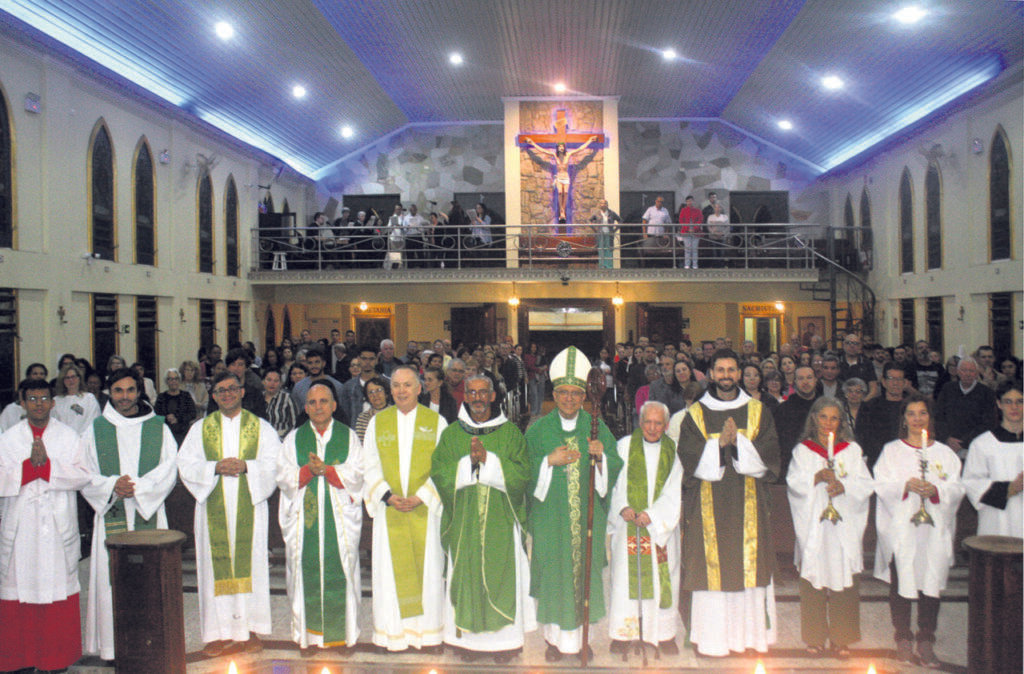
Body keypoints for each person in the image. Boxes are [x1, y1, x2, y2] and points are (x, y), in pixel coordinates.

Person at [676, 348, 780, 657]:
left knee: (749, 567)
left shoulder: (759, 410)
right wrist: (718, 445)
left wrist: (740, 443)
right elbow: (689, 459)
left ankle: (749, 639)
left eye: (731, 370)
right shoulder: (696, 414)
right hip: (709, 508)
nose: (726, 376)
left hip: (750, 508)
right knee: (711, 571)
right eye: (720, 370)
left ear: (740, 373)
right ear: (710, 374)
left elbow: (771, 457)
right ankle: (713, 641)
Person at [525, 346, 622, 662]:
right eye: (563, 392)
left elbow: (615, 464)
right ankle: (554, 642)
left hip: (585, 522)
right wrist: (546, 462)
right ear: (553, 393)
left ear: (585, 396)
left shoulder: (596, 426)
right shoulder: (539, 428)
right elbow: (524, 469)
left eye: (576, 393)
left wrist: (601, 457)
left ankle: (584, 640)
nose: (569, 399)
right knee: (554, 575)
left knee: (584, 578)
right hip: (550, 520)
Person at [430, 374, 536, 662]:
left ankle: (506, 644)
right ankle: (468, 643)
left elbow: (522, 474)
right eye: (471, 393)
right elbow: (438, 472)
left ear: (492, 396)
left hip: (501, 520)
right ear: (464, 396)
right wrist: (468, 464)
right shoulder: (451, 434)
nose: (477, 398)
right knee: (466, 575)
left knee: (502, 575)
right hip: (464, 521)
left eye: (482, 393)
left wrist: (489, 462)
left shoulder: (511, 433)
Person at [177, 371, 282, 657]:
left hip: (250, 503)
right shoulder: (201, 428)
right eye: (221, 391)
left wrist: (247, 467)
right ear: (213, 396)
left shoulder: (261, 427)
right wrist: (214, 467)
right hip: (213, 504)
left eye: (232, 389)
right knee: (213, 568)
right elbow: (185, 463)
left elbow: (275, 463)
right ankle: (216, 634)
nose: (227, 395)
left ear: (242, 392)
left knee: (252, 566)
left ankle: (249, 631)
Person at [81, 367, 178, 662]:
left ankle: (151, 643)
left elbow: (170, 466)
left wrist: (137, 487)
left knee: (149, 579)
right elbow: (83, 472)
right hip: (112, 510)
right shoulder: (95, 429)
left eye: (130, 390)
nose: (125, 397)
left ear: (140, 391)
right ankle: (112, 647)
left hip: (147, 509)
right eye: (118, 391)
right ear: (110, 392)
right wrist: (112, 486)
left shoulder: (158, 426)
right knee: (112, 580)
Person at [0, 378, 91, 672]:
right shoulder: (8, 438)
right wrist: (28, 469)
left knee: (56, 587)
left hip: (55, 526)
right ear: (22, 403)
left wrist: (48, 468)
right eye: (33, 399)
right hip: (21, 527)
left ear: (53, 402)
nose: (39, 404)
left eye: (44, 399)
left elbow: (84, 475)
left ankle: (56, 658)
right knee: (19, 587)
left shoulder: (68, 436)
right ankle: (19, 659)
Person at [873, 393, 964, 667]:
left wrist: (937, 490)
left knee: (930, 582)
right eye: (911, 414)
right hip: (901, 529)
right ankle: (902, 637)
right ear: (903, 419)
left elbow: (957, 488)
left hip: (933, 530)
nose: (916, 419)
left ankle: (926, 639)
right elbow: (880, 484)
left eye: (922, 413)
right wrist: (905, 486)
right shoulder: (892, 450)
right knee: (901, 580)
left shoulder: (944, 454)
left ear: (930, 417)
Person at [362, 365, 448, 652]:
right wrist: (387, 495)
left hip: (424, 511)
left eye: (407, 385)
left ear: (419, 388)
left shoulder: (436, 422)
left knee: (429, 573)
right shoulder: (378, 422)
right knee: (389, 574)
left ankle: (428, 635)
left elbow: (443, 468)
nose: (401, 391)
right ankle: (393, 634)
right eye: (396, 385)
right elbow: (369, 464)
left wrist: (423, 495)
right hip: (391, 512)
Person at [277, 382, 363, 653]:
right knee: (304, 570)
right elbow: (282, 475)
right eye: (312, 402)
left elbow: (359, 473)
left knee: (342, 570)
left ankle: (342, 636)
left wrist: (327, 470)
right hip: (306, 523)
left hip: (339, 521)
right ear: (305, 407)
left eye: (324, 401)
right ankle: (309, 636)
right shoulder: (293, 438)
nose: (318, 407)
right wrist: (306, 472)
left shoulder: (348, 436)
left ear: (334, 405)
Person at [786, 397, 874, 658]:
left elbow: (866, 485)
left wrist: (844, 486)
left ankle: (842, 638)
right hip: (814, 526)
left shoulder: (852, 451)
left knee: (843, 578)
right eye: (823, 417)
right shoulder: (803, 451)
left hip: (843, 527)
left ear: (842, 421)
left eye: (834, 418)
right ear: (814, 418)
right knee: (813, 577)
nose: (828, 423)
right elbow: (793, 483)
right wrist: (815, 478)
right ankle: (813, 637)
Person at [607, 401, 683, 654]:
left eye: (657, 423)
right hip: (628, 525)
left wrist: (651, 515)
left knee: (664, 580)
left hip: (659, 529)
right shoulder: (624, 446)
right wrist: (623, 507)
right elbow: (614, 483)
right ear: (639, 422)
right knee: (624, 580)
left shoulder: (672, 451)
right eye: (647, 422)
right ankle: (623, 634)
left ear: (666, 425)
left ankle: (663, 634)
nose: (652, 428)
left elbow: (674, 491)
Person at [962, 379, 1023, 536]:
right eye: (1008, 402)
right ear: (999, 404)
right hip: (998, 523)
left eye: (1020, 401)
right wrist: (1008, 489)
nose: (1014, 407)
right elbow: (971, 482)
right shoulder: (983, 444)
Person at [525, 136, 599, 224]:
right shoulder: (554, 156)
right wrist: (532, 143)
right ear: (558, 148)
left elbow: (580, 149)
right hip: (559, 177)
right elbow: (543, 151)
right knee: (560, 192)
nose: (561, 148)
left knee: (566, 193)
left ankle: (562, 211)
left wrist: (589, 141)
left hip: (566, 177)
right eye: (560, 147)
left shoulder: (568, 155)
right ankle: (562, 211)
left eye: (562, 147)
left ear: (564, 148)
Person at [935, 356, 997, 458]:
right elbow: (939, 416)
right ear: (958, 372)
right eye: (964, 370)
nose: (968, 374)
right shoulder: (947, 389)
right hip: (948, 445)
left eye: (971, 371)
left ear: (977, 373)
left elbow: (989, 423)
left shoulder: (987, 393)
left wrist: (963, 443)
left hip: (974, 447)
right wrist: (947, 438)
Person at [856, 362, 907, 467]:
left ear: (904, 382)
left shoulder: (911, 408)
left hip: (906, 459)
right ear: (883, 382)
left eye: (899, 379)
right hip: (877, 460)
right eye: (891, 378)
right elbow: (862, 437)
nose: (895, 383)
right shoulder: (869, 407)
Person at [774, 365, 821, 477]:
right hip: (793, 467)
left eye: (809, 377)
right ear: (794, 382)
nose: (805, 382)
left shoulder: (825, 407)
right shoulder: (783, 409)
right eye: (800, 378)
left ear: (815, 380)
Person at [53, 362, 101, 435]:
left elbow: (93, 421)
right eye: (67, 378)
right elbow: (54, 423)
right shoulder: (56, 401)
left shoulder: (89, 398)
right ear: (63, 380)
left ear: (79, 378)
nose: (71, 380)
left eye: (73, 377)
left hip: (85, 441)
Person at [339, 344, 381, 427]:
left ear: (377, 360)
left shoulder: (386, 384)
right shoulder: (348, 387)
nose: (367, 362)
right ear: (358, 359)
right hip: (356, 433)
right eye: (364, 358)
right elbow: (345, 415)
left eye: (371, 359)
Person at [262, 369, 297, 440]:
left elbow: (294, 424)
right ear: (263, 381)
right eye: (269, 380)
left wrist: (282, 439)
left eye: (276, 381)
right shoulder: (257, 398)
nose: (272, 383)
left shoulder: (287, 398)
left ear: (281, 383)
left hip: (282, 438)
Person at [354, 376, 392, 442]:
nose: (375, 395)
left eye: (379, 390)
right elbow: (360, 442)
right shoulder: (362, 418)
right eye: (371, 392)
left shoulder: (397, 413)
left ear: (386, 393)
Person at [589, 198, 621, 268]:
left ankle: (609, 266)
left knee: (609, 249)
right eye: (601, 203)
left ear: (607, 205)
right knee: (601, 249)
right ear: (599, 205)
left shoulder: (611, 213)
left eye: (605, 203)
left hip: (609, 234)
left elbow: (620, 220)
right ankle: (602, 266)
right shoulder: (597, 213)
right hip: (600, 234)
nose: (603, 205)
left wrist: (614, 230)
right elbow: (589, 221)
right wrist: (595, 229)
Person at [640, 195, 672, 264]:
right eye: (658, 201)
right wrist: (644, 233)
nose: (659, 203)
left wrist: (666, 233)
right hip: (650, 235)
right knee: (649, 251)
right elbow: (644, 221)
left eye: (661, 202)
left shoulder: (665, 211)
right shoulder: (650, 209)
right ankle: (649, 266)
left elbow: (668, 223)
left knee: (659, 252)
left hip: (660, 235)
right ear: (655, 201)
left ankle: (658, 265)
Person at [677, 195, 704, 269]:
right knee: (687, 249)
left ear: (693, 201)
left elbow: (700, 220)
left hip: (696, 232)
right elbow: (681, 221)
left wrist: (694, 228)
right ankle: (687, 265)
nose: (690, 202)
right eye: (688, 201)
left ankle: (695, 265)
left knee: (695, 249)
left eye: (691, 201)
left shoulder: (698, 211)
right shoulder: (683, 210)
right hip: (686, 232)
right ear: (686, 202)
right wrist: (687, 228)